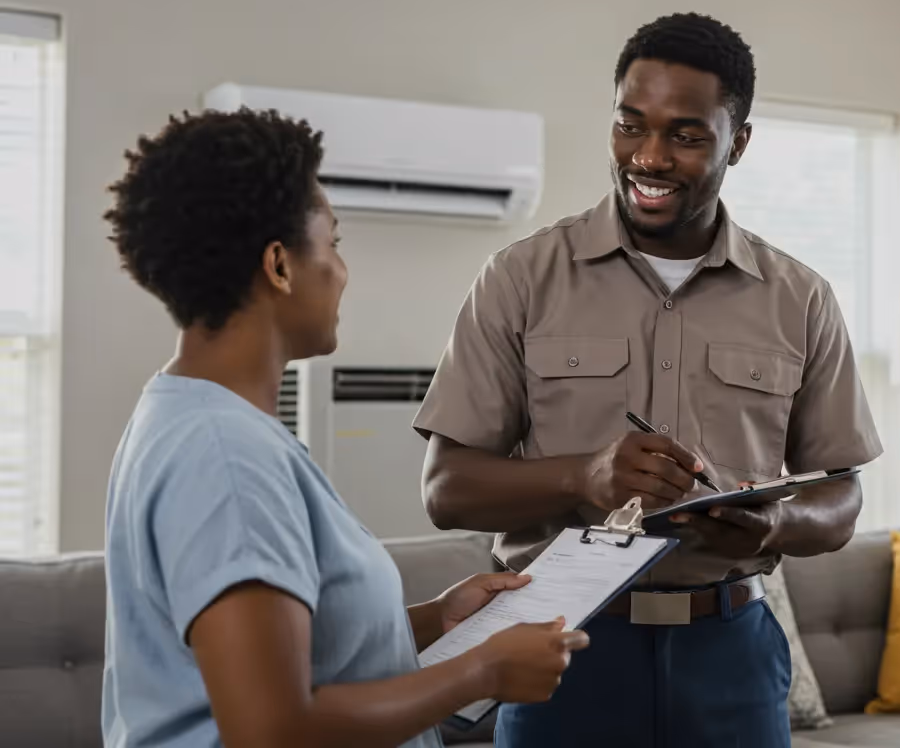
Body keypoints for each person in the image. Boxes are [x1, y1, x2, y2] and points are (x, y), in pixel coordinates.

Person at [414, 12, 882, 747]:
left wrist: (778, 523)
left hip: (733, 651)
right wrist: (585, 477)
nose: (649, 156)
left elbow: (843, 495)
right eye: (631, 125)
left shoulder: (802, 297)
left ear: (741, 141)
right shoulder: (520, 278)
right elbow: (446, 492)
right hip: (562, 649)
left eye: (687, 135)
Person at [100, 108, 588, 748]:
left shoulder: (195, 417)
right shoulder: (224, 456)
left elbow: (290, 652)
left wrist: (435, 621)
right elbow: (273, 728)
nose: (341, 269)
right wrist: (481, 670)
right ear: (279, 265)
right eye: (332, 242)